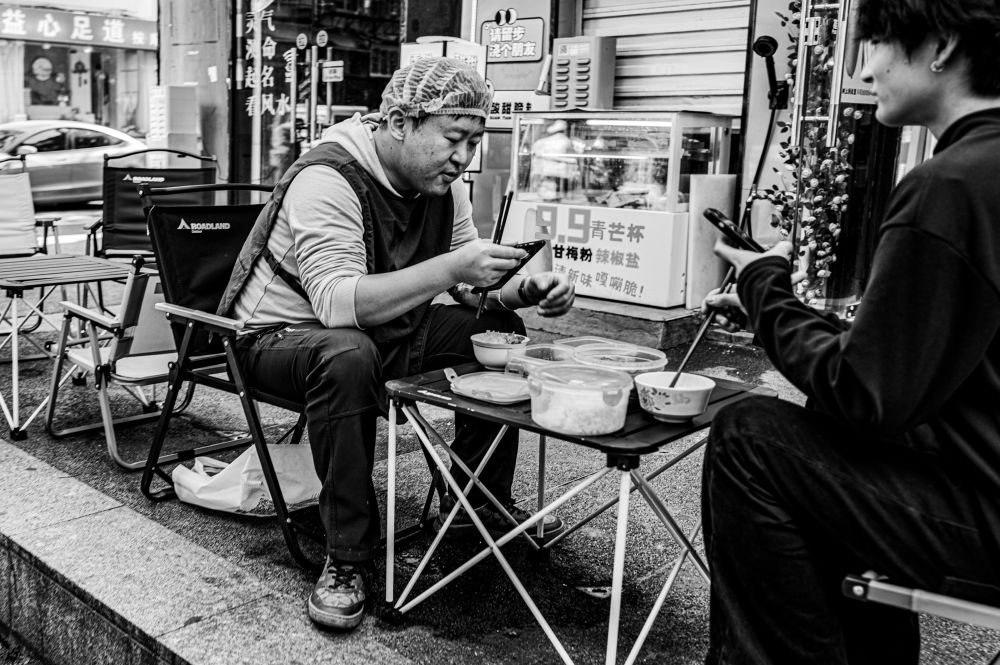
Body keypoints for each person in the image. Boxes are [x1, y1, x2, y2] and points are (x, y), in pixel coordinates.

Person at [217, 57, 575, 632]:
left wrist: (519, 291)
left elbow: (464, 285)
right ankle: (347, 558)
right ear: (401, 122)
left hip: (380, 330)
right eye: (454, 139)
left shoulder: (442, 183)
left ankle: (474, 506)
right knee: (346, 353)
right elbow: (336, 304)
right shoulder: (328, 177)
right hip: (274, 340)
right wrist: (452, 266)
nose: (464, 158)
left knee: (496, 333)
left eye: (475, 142)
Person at [700, 1, 1000, 662]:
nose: (864, 67)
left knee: (750, 438)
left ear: (942, 45)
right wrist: (783, 313)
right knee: (820, 444)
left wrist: (764, 282)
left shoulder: (950, 184)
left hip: (983, 516)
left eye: (877, 44)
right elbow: (929, 357)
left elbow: (865, 393)